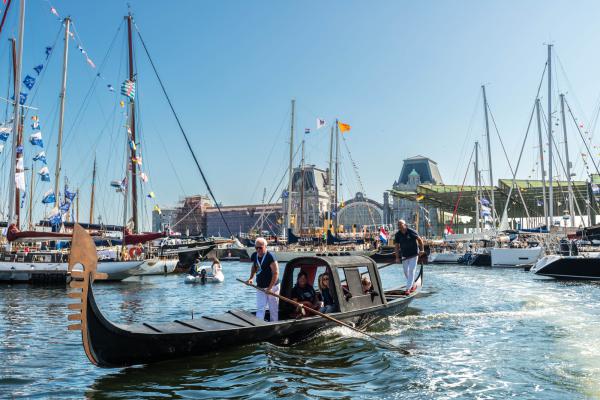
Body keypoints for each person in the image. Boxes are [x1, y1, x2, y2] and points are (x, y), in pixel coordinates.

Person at [246, 237, 280, 322]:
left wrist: (270, 288)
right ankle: (259, 325)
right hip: (260, 286)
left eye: (260, 248)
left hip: (273, 287)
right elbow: (254, 267)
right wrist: (251, 278)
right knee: (260, 307)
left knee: (273, 309)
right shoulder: (254, 255)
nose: (258, 250)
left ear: (265, 246)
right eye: (256, 248)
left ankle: (274, 324)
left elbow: (276, 273)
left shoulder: (270, 256)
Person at [394, 219, 425, 295]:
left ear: (405, 225)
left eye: (401, 224)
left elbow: (420, 240)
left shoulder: (411, 231)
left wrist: (422, 250)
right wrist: (397, 257)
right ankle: (413, 284)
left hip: (414, 254)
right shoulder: (397, 234)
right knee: (406, 272)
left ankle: (408, 289)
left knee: (411, 270)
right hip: (404, 255)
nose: (399, 226)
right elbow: (396, 246)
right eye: (398, 225)